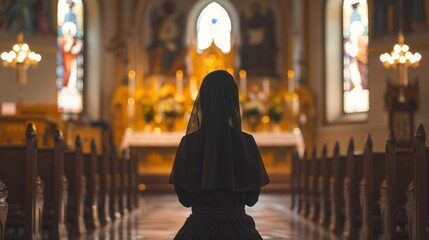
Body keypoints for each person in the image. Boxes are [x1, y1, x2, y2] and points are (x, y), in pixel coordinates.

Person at [169, 70, 269, 239]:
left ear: (203, 102)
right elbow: (252, 199)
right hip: (239, 231)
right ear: (233, 104)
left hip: (196, 231)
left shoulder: (188, 143)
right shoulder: (247, 142)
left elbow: (184, 199)